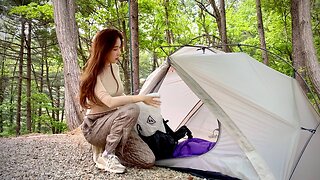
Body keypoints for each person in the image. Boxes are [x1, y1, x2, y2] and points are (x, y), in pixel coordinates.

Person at [79, 28, 160, 174]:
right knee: (132, 109)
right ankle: (107, 154)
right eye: (115, 49)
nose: (119, 53)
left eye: (120, 48)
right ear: (104, 49)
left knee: (148, 160)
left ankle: (113, 149)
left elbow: (119, 94)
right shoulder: (93, 73)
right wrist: (140, 98)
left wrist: (142, 103)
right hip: (95, 127)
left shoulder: (115, 68)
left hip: (115, 123)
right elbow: (109, 101)